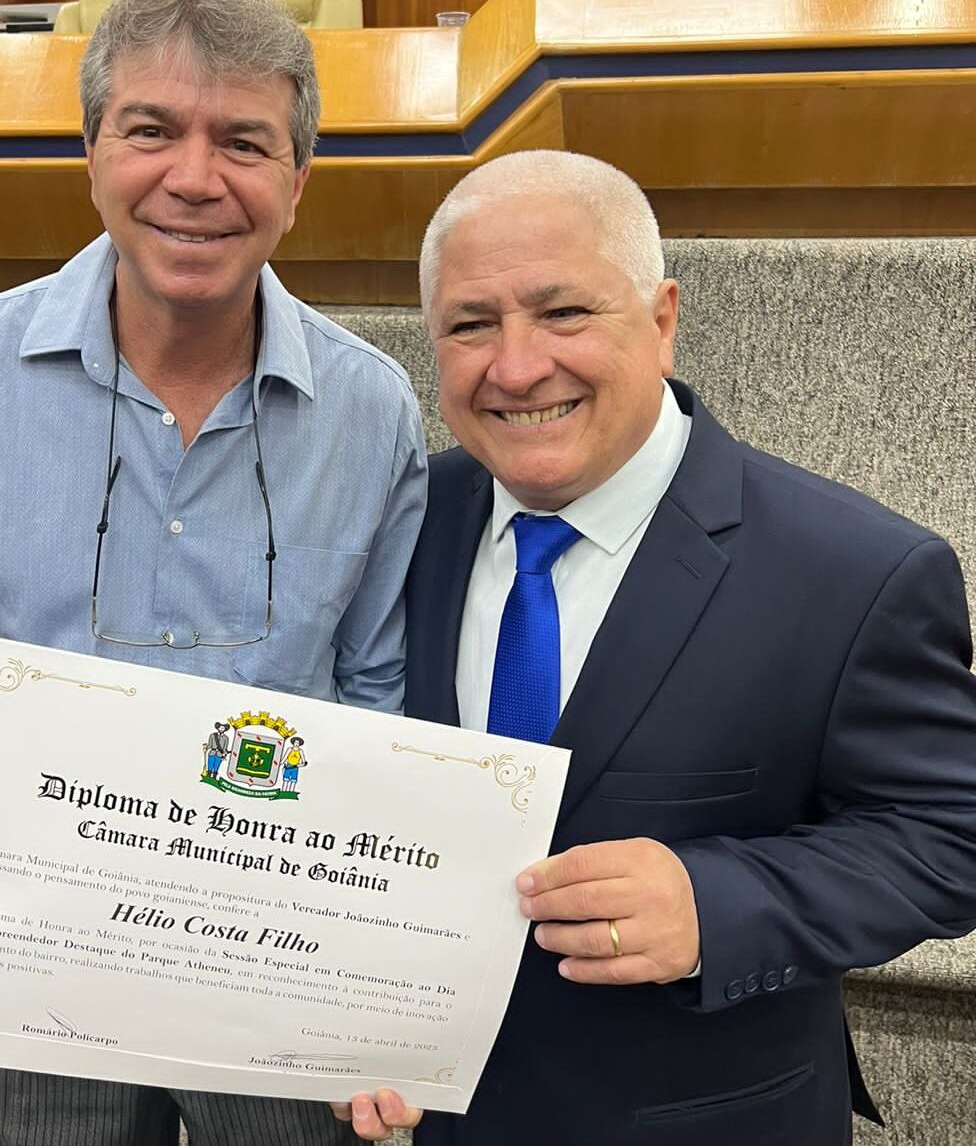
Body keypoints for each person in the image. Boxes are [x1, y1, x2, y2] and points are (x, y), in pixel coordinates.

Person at [0, 0, 426, 1144]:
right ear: (93, 152)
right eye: (152, 130)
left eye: (244, 141)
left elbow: (382, 695)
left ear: (299, 184)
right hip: (37, 952)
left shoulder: (374, 409)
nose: (194, 178)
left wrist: (389, 986)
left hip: (284, 963)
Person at [333, 149, 976, 1144]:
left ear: (665, 319)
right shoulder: (393, 529)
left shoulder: (856, 572)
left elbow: (951, 835)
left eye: (564, 312)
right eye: (470, 324)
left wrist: (718, 905)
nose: (515, 365)